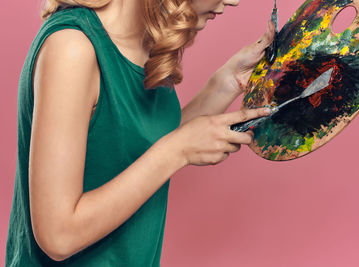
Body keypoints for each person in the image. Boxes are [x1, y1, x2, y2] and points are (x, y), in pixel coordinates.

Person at [5, 0, 275, 266]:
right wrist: (178, 150)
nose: (234, 1)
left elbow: (138, 150)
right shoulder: (72, 48)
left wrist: (227, 82)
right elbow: (58, 236)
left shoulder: (144, 44)